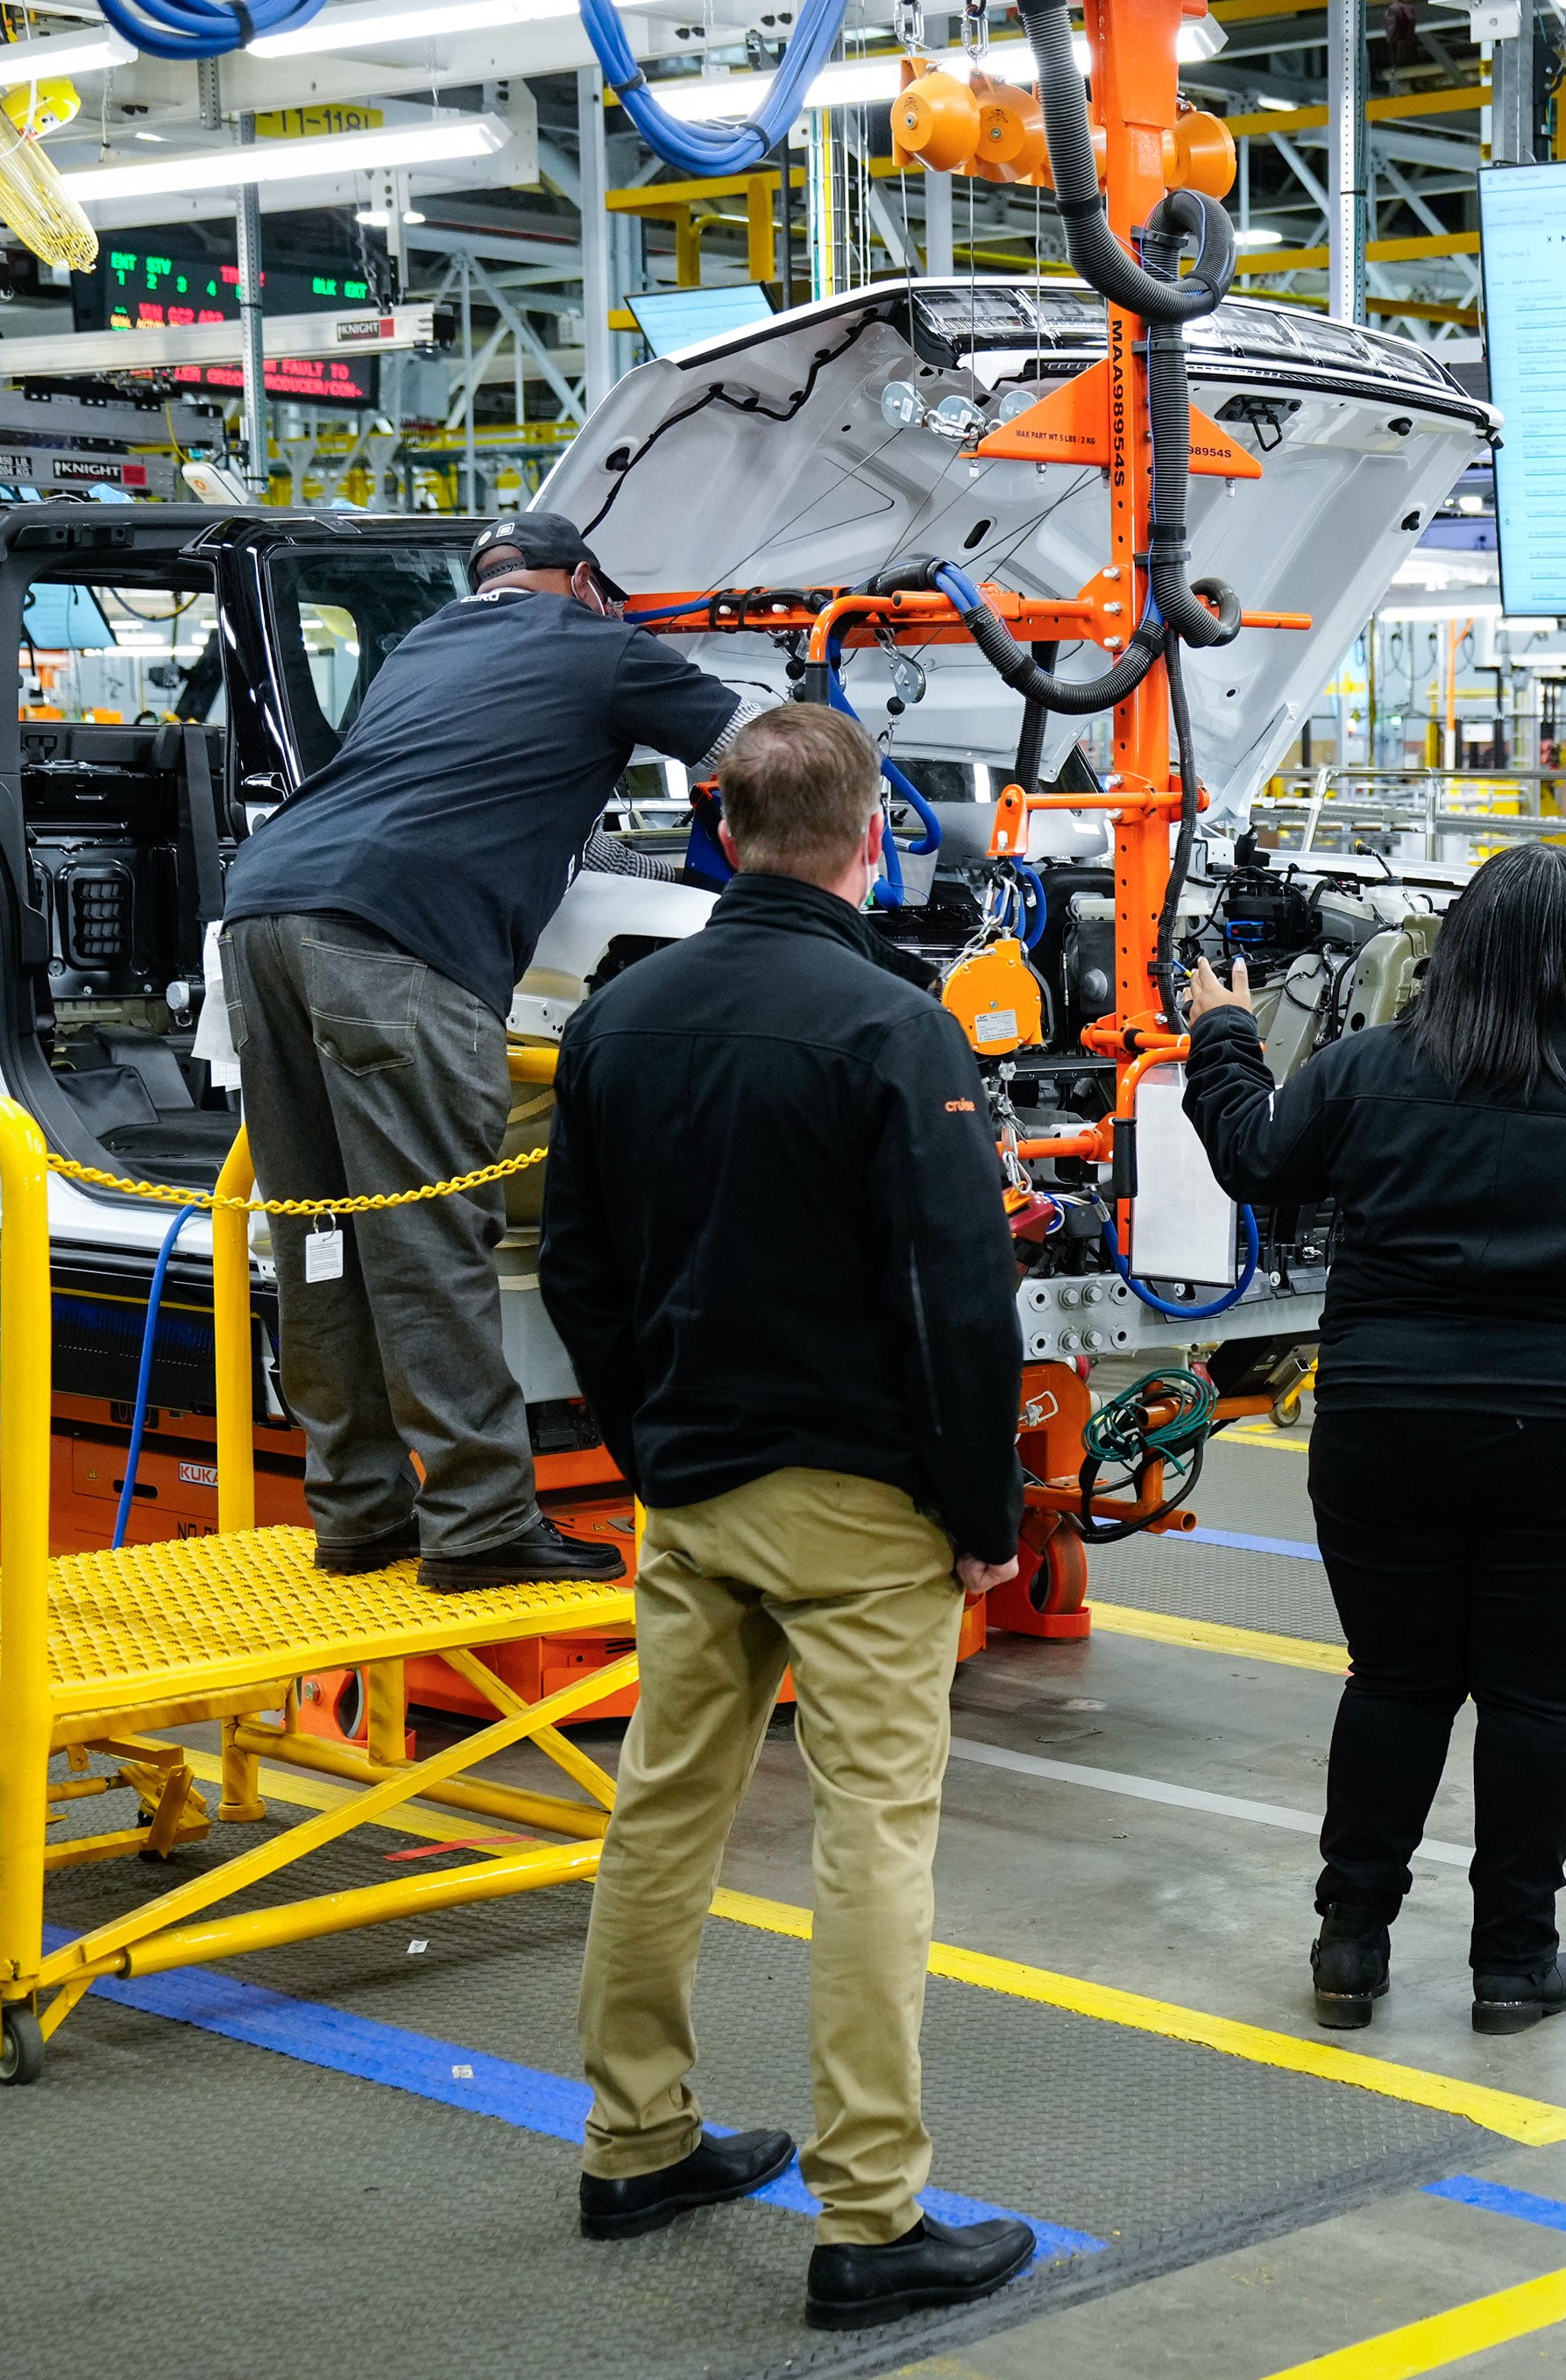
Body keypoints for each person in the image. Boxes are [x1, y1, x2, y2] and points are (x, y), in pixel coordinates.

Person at [540, 705, 1038, 2332]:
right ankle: (871, 2213)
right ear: (869, 831)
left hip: (692, 1490)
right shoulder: (892, 1026)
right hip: (859, 1503)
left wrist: (654, 1449)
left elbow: (578, 1277)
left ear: (721, 826)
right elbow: (961, 1297)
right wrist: (985, 1509)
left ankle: (634, 2140)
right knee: (871, 1832)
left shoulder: (625, 1018)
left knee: (664, 1809)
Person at [1183, 844, 1566, 2034]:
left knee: (1394, 1676)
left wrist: (1225, 1033)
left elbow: (1253, 1157)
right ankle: (1513, 1962)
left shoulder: (1362, 1072)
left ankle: (1350, 1943)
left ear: (1453, 949)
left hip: (1388, 1420)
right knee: (1538, 1696)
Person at [221, 509, 747, 1592]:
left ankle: (361, 1510)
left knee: (321, 1228)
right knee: (426, 1237)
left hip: (265, 911)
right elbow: (762, 752)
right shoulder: (598, 642)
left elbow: (485, 789)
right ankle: (479, 1524)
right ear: (588, 582)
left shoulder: (426, 644)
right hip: (392, 941)